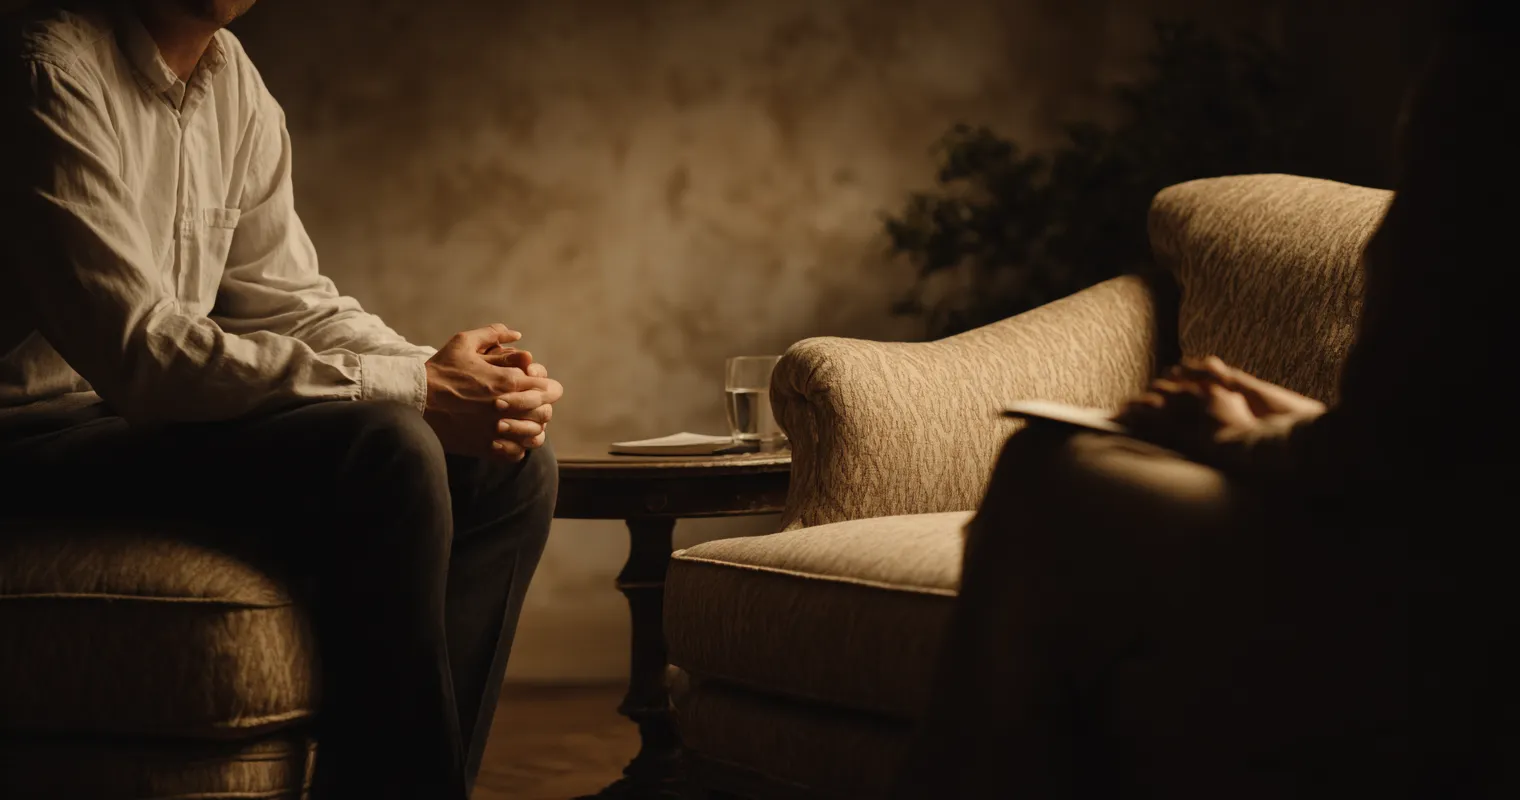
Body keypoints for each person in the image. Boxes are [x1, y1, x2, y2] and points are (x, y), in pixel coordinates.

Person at [895, 1, 1517, 796]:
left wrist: (1239, 439)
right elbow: (1463, 425)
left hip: (1457, 590)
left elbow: (1417, 461)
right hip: (1458, 540)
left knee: (1054, 478)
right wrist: (1293, 417)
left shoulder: (1486, 80)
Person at [0, 1, 563, 797]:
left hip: (130, 426)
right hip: (29, 442)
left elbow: (293, 303)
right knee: (390, 450)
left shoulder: (236, 84)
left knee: (509, 466)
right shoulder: (44, 66)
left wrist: (462, 381)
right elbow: (142, 353)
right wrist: (420, 390)